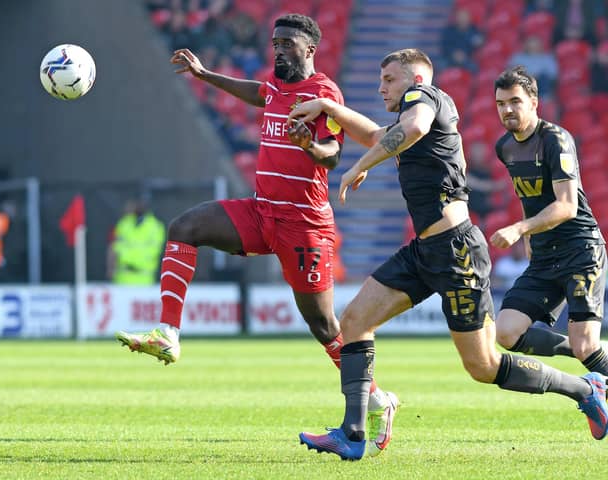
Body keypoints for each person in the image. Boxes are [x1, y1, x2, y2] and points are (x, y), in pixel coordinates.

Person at [286, 49, 608, 460]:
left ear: (416, 80)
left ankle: (585, 388)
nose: (381, 87)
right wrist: (331, 107)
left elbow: (413, 127)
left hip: (457, 251)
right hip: (425, 250)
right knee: (353, 321)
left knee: (484, 366)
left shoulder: (423, 100)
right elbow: (378, 135)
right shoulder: (417, 111)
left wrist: (358, 166)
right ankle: (354, 432)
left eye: (389, 78)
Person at [115, 14, 398, 457]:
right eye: (275, 43)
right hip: (262, 210)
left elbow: (332, 155)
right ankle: (169, 332)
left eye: (288, 43)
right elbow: (258, 94)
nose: (279, 49)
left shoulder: (323, 94)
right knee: (185, 227)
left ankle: (377, 399)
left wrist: (309, 144)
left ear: (309, 49)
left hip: (303, 225)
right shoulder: (275, 86)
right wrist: (205, 75)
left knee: (324, 327)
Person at [490, 66, 608, 376]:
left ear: (533, 101)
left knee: (586, 346)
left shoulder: (556, 140)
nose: (507, 110)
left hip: (580, 251)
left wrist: (519, 229)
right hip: (544, 255)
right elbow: (530, 198)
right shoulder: (505, 147)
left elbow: (567, 206)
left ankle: (590, 353)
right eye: (501, 104)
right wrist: (531, 238)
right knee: (506, 332)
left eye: (515, 101)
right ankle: (590, 353)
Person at [107, 199, 166, 285]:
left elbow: (152, 252)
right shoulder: (124, 223)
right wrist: (111, 267)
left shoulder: (156, 226)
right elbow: (114, 247)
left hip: (144, 278)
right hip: (122, 277)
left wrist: (126, 256)